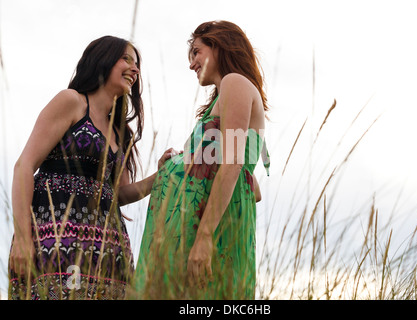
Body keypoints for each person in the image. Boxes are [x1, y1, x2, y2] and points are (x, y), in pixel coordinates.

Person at [8, 35, 174, 300]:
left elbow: (120, 194)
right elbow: (24, 166)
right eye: (126, 59)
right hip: (55, 239)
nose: (135, 69)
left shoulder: (121, 132)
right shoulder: (71, 101)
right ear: (103, 60)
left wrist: (160, 175)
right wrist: (23, 237)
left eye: (137, 64)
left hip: (108, 251)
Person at [133, 20, 270, 299]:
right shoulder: (223, 97)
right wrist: (180, 163)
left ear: (218, 46)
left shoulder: (235, 83)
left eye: (196, 52)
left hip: (209, 227)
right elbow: (250, 184)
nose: (192, 63)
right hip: (195, 222)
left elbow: (234, 166)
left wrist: (205, 236)